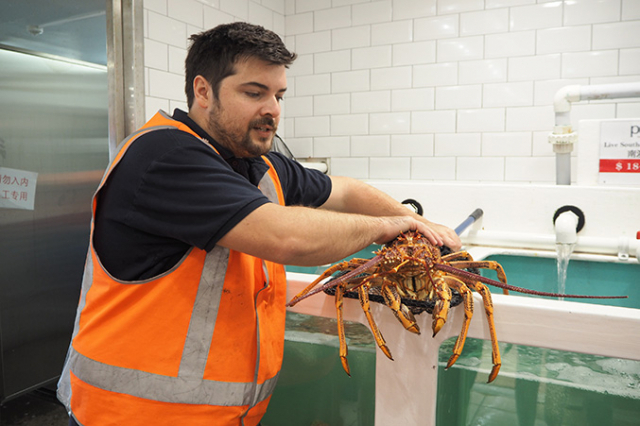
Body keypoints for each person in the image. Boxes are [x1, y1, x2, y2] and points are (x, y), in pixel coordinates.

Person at [57, 22, 461, 426]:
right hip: (132, 414)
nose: (273, 109)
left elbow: (345, 190)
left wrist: (417, 225)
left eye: (278, 95)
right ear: (203, 91)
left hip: (222, 414)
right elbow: (288, 238)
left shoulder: (258, 164)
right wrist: (386, 227)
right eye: (254, 93)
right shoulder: (164, 156)